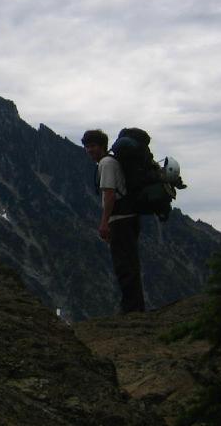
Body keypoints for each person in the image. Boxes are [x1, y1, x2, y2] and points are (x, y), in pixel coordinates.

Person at [81, 129, 145, 314]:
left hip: (121, 220)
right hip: (128, 218)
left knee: (124, 266)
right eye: (87, 146)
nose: (89, 150)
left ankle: (131, 310)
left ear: (102, 146)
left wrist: (104, 223)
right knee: (129, 263)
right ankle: (135, 307)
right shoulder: (110, 162)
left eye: (93, 146)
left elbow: (109, 194)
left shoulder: (107, 163)